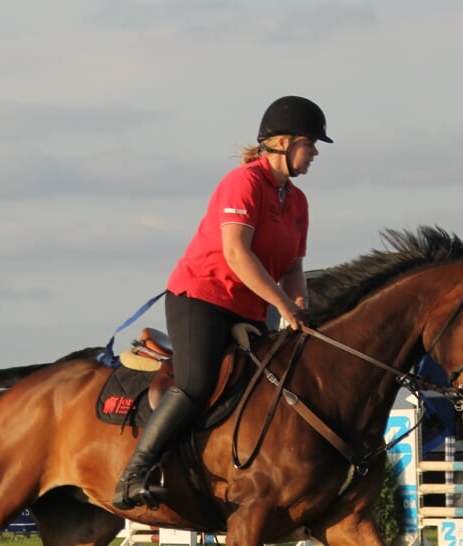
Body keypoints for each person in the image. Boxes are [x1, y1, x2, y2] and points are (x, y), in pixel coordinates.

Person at [114, 95, 329, 509]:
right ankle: (134, 473)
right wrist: (283, 306)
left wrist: (299, 311)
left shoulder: (298, 202)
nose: (316, 152)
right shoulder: (243, 183)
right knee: (195, 383)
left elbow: (294, 269)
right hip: (201, 297)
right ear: (283, 143)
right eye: (310, 143)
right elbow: (236, 254)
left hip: (250, 308)